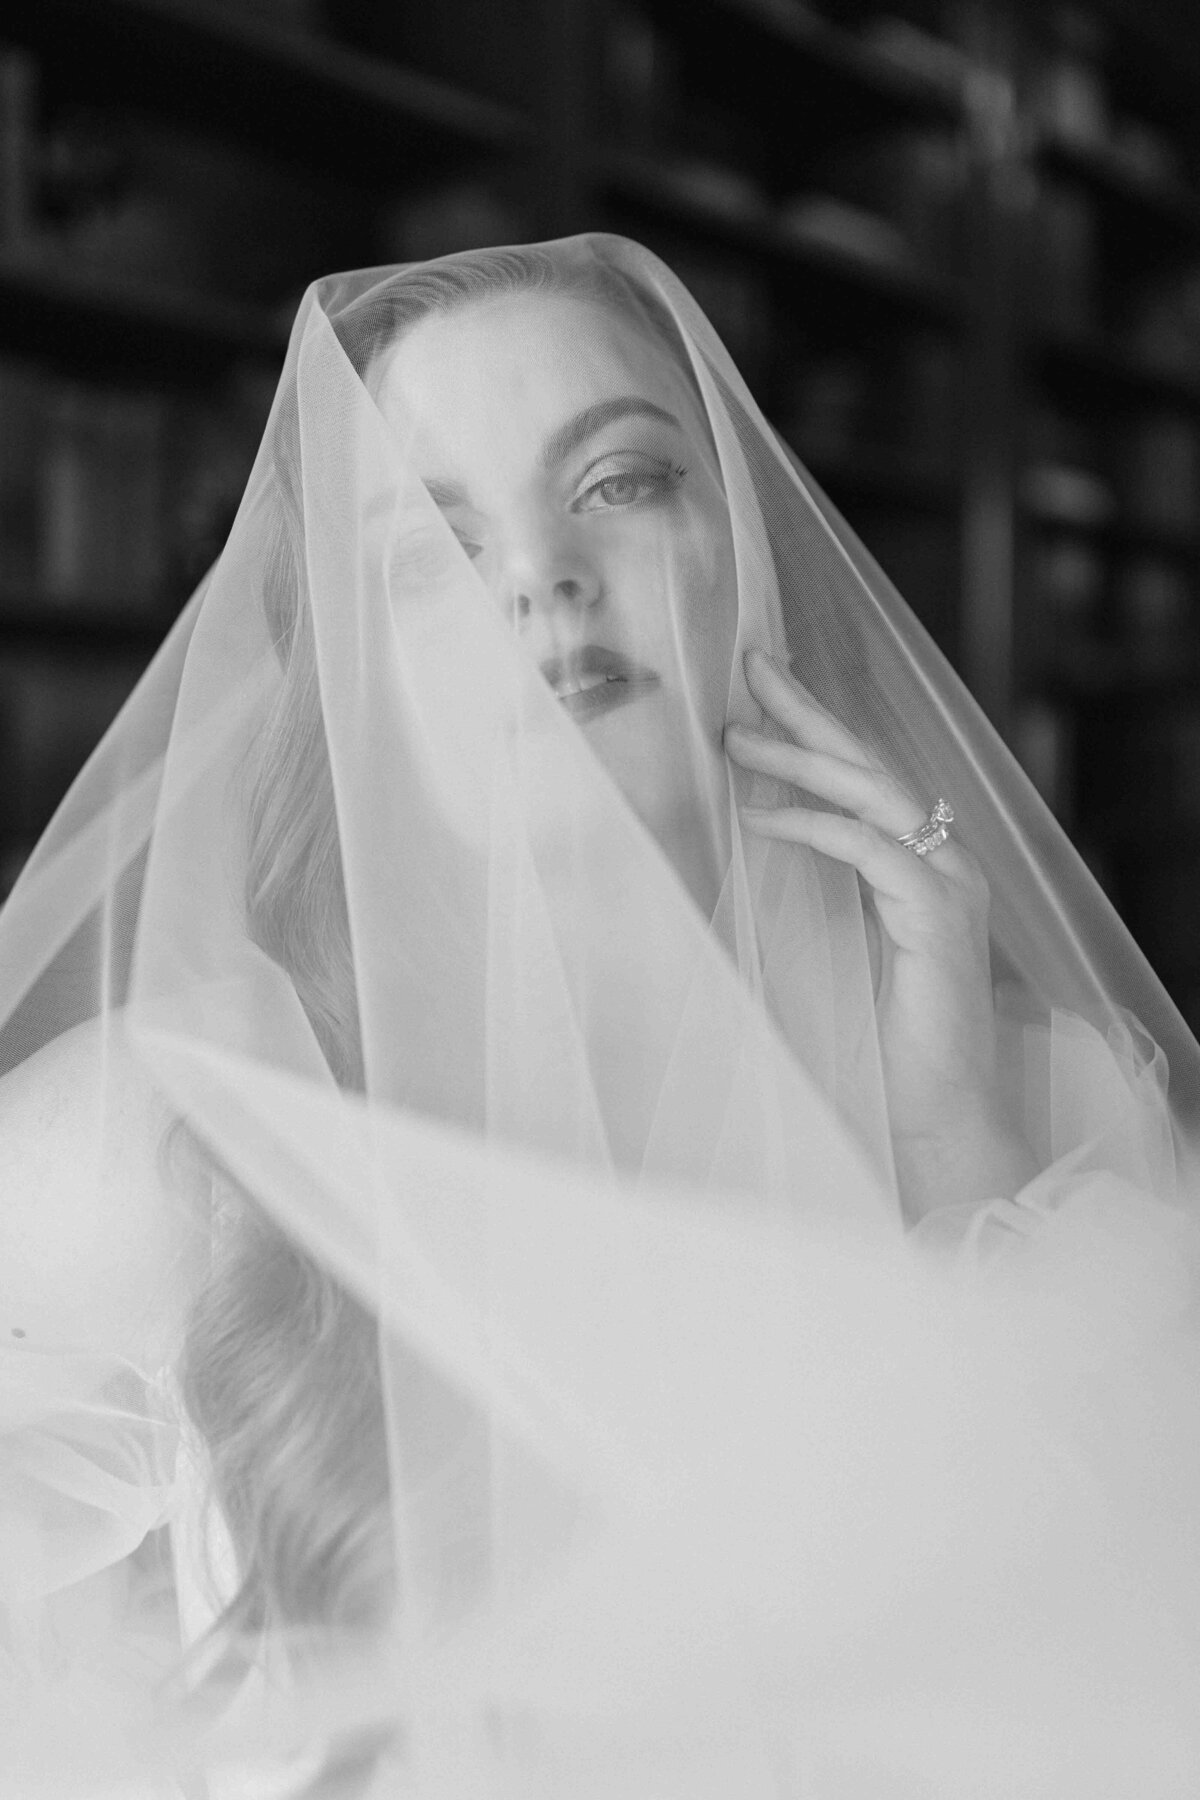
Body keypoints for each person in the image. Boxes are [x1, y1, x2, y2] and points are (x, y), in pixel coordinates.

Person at [2, 235, 1199, 1798]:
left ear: (749, 548)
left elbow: (1112, 1684)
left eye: (618, 483)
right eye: (428, 549)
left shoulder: (1050, 1117)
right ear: (354, 676)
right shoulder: (163, 1140)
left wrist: (954, 1159)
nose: (538, 578)